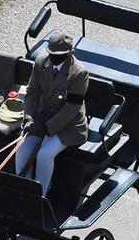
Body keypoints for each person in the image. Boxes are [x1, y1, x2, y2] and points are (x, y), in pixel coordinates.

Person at [16, 31, 90, 196]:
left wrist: (48, 128)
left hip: (69, 126)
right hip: (41, 120)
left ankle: (40, 195)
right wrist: (28, 118)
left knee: (44, 154)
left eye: (59, 55)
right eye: (51, 54)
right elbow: (32, 93)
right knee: (21, 149)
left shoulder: (79, 73)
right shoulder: (41, 62)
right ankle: (24, 191)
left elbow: (72, 107)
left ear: (69, 54)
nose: (53, 58)